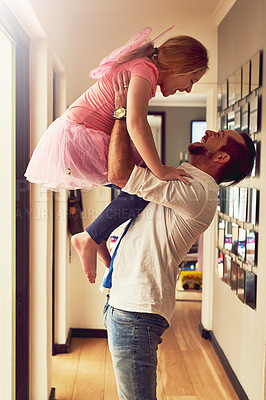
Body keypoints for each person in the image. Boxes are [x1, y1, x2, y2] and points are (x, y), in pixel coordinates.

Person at [98, 76, 255, 399]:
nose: (210, 131)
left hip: (136, 312)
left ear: (222, 158)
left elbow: (119, 174)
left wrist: (121, 112)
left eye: (220, 136)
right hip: (125, 305)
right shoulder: (186, 180)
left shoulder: (195, 189)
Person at [25, 27, 209, 282]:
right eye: (192, 80)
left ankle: (96, 238)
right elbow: (135, 123)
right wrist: (161, 170)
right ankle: (89, 237)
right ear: (180, 67)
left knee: (139, 185)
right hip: (81, 135)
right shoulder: (145, 70)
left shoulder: (143, 68)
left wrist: (154, 166)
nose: (188, 89)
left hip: (78, 131)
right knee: (143, 188)